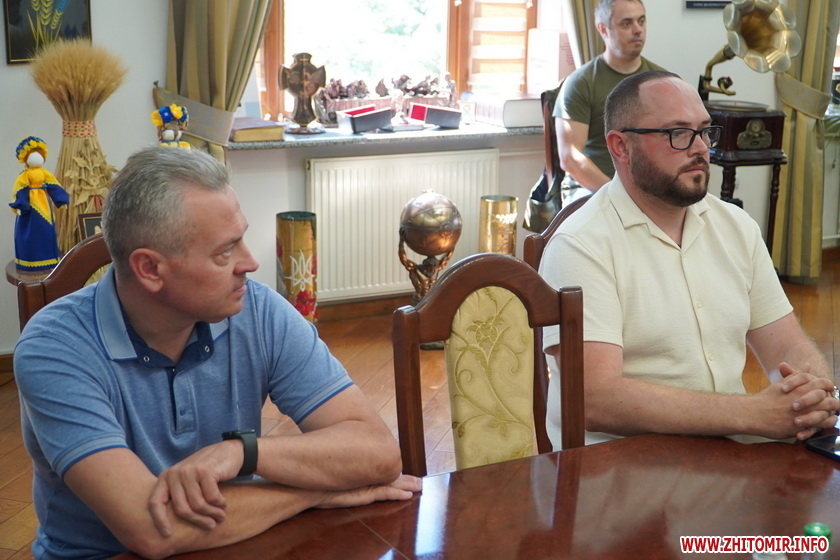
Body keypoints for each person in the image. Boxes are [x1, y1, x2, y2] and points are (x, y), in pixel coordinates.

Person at [14, 146, 422, 560]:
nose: (250, 263)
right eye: (225, 251)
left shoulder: (258, 310)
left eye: (241, 238)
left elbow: (378, 454)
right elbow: (152, 530)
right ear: (150, 269)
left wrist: (243, 452)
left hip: (241, 539)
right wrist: (316, 492)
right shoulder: (55, 347)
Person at [539, 71, 839, 447]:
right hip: (622, 466)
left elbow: (786, 345)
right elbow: (595, 399)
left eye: (704, 131)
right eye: (678, 133)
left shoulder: (736, 226)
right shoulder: (581, 244)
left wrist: (815, 394)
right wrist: (753, 414)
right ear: (621, 147)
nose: (700, 148)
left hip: (731, 455)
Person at [554, 0, 665, 196]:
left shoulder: (663, 81)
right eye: (627, 23)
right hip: (591, 190)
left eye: (641, 21)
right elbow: (570, 157)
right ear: (603, 29)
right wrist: (618, 195)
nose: (638, 30)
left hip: (648, 189)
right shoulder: (581, 83)